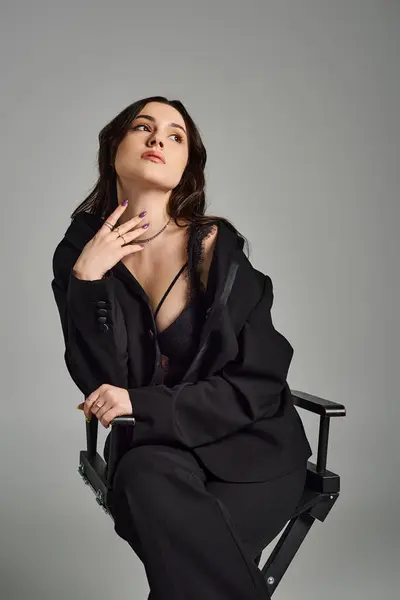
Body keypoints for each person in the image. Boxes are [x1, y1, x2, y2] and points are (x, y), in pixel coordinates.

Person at [51, 95, 312, 600]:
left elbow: (257, 384)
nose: (157, 140)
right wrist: (87, 277)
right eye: (142, 128)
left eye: (176, 137)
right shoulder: (81, 250)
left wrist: (140, 403)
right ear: (114, 149)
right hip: (155, 456)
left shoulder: (216, 247)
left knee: (187, 565)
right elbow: (99, 380)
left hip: (252, 449)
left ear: (186, 166)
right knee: (156, 498)